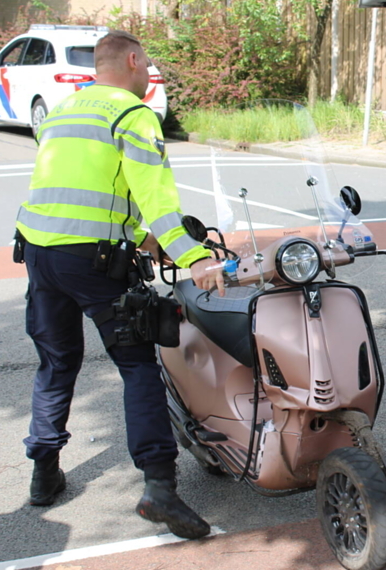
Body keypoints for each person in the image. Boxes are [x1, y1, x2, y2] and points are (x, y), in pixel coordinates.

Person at [15, 29, 227, 539]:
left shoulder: (64, 110)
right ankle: (160, 490)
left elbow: (92, 187)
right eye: (147, 63)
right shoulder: (132, 116)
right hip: (92, 263)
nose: (149, 72)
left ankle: (44, 473)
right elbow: (155, 197)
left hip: (38, 252)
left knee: (57, 360)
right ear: (132, 60)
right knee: (137, 366)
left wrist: (139, 238)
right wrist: (194, 257)